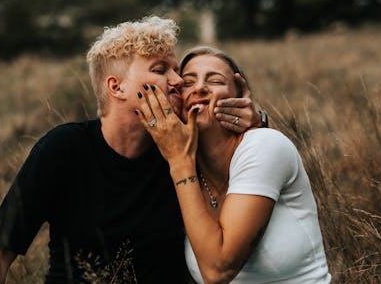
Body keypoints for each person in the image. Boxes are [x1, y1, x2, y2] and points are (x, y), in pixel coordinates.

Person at [0, 17, 267, 284]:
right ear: (116, 87)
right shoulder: (64, 148)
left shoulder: (185, 145)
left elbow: (253, 168)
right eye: (161, 70)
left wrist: (258, 122)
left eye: (177, 70)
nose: (178, 82)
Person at [135, 46, 331, 283]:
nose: (199, 88)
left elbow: (218, 270)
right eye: (187, 82)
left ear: (240, 98)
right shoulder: (175, 167)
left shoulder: (264, 145)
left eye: (215, 80)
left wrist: (180, 162)